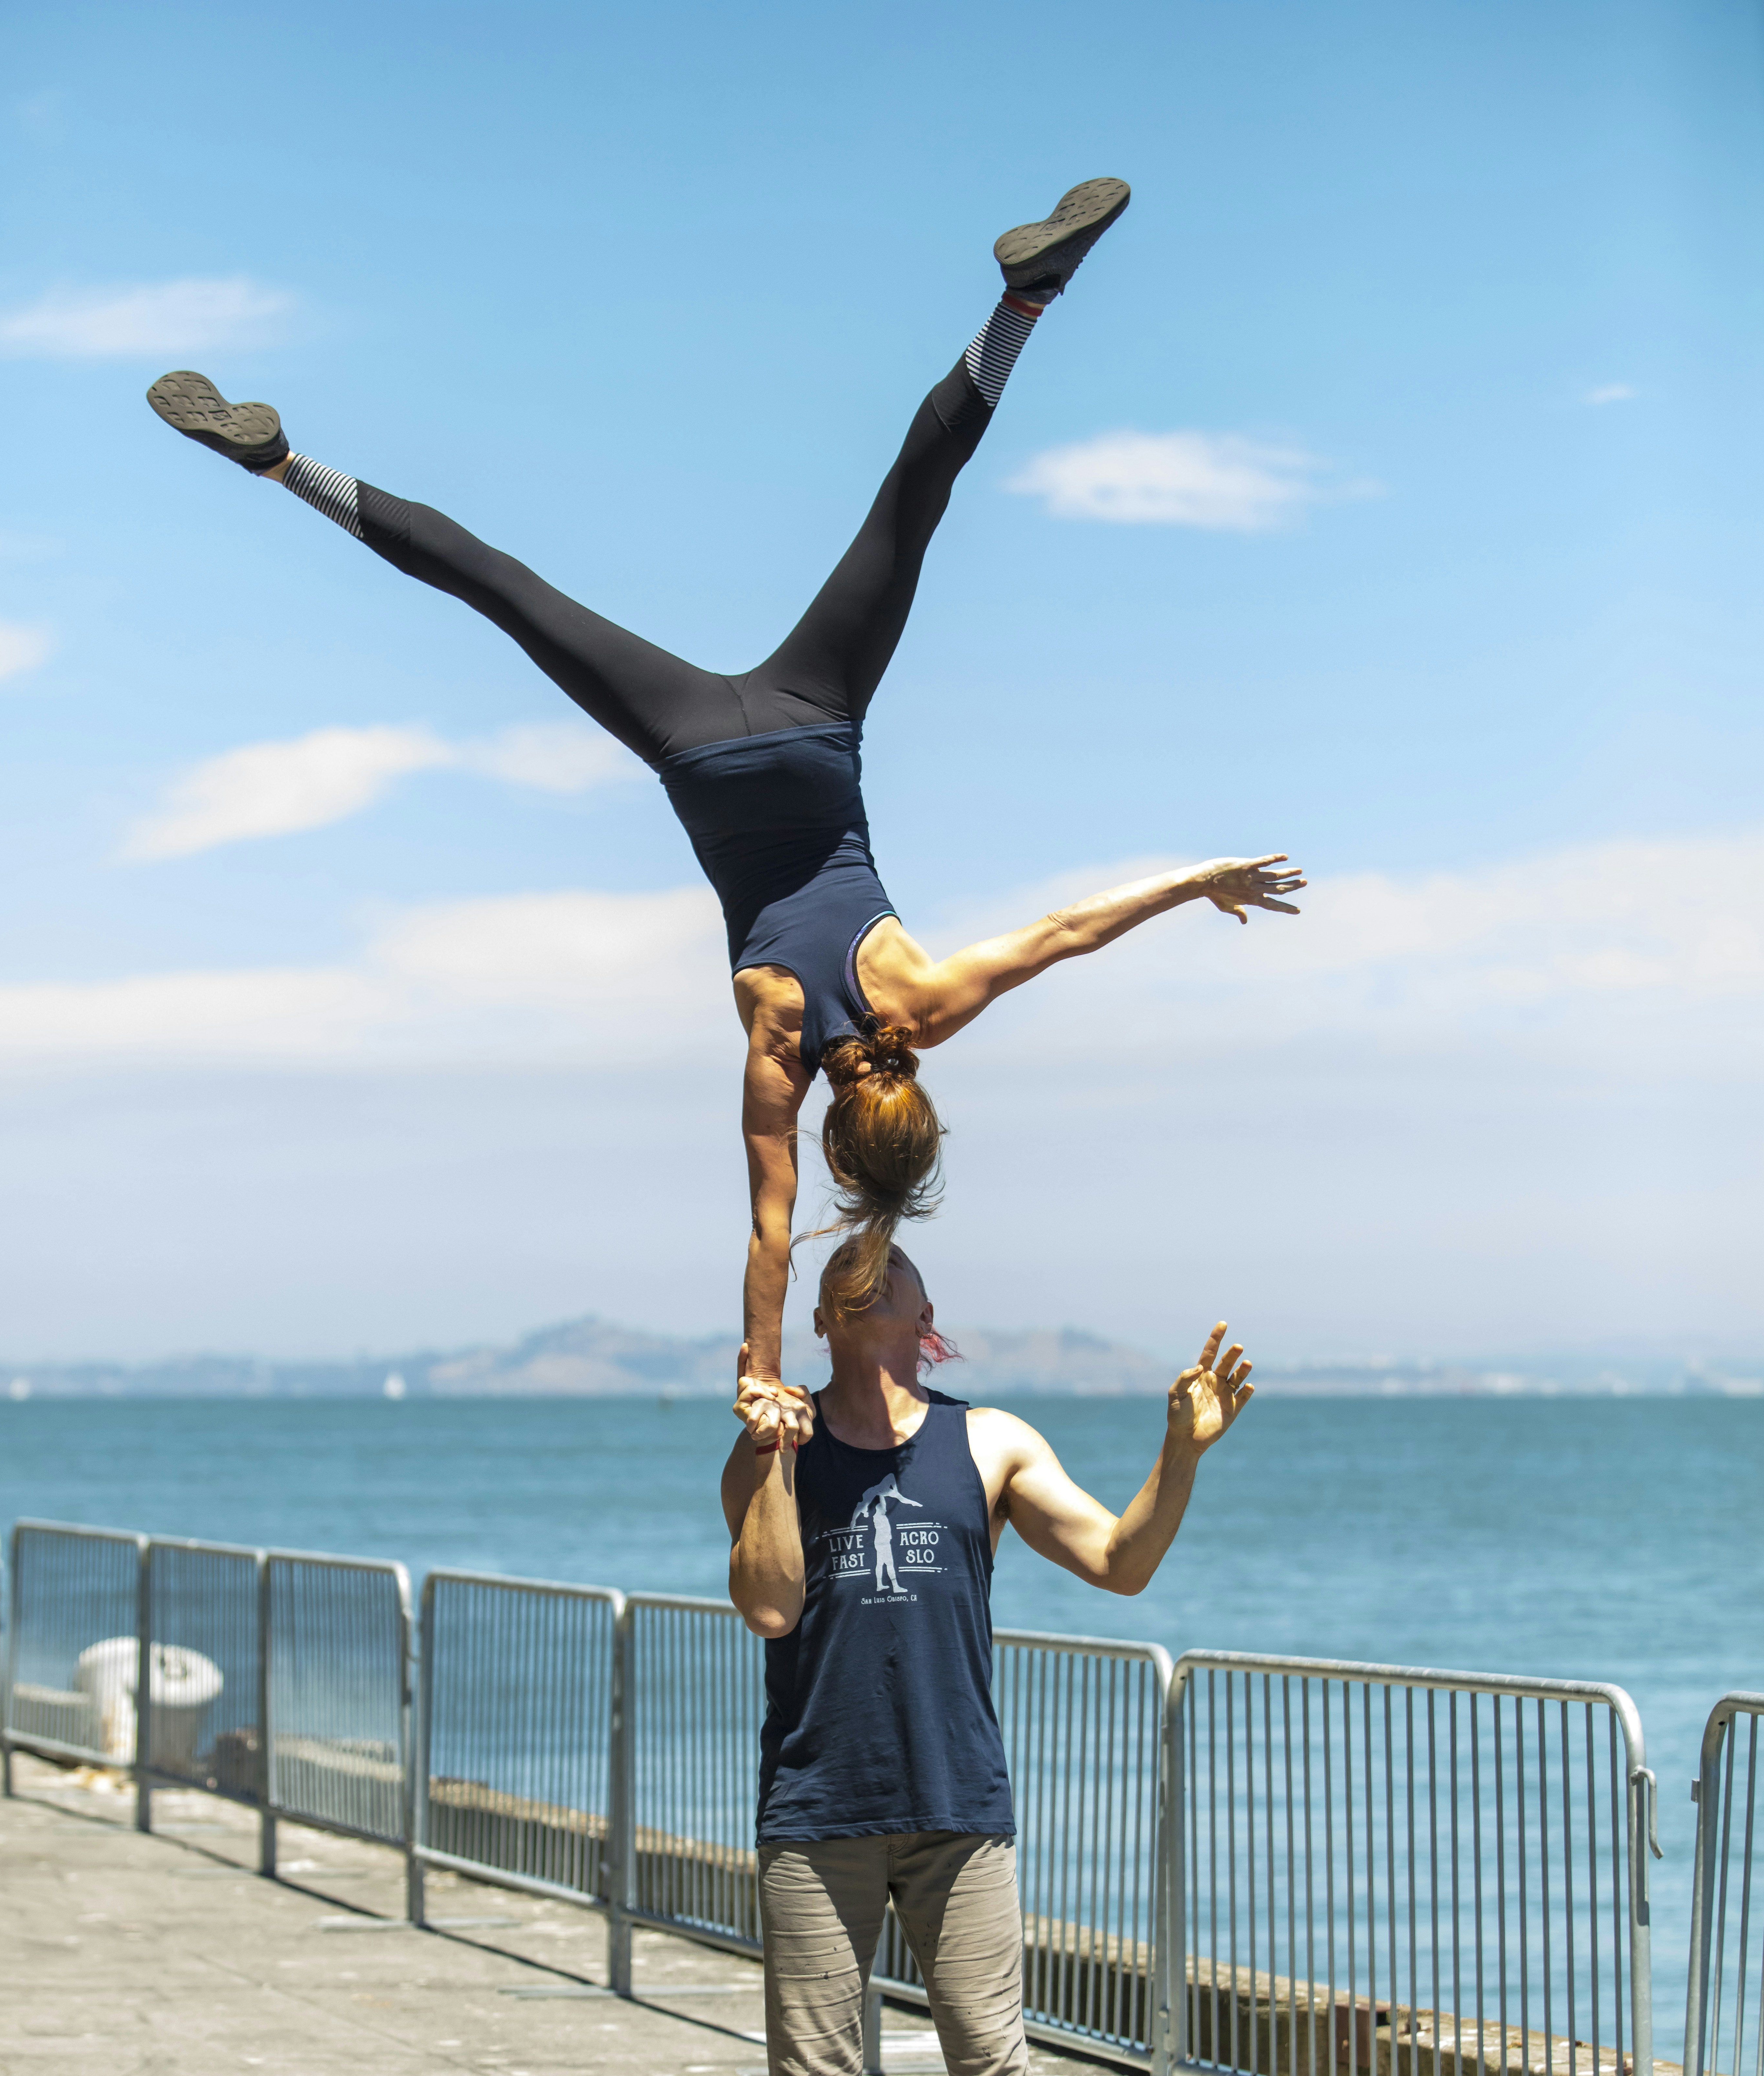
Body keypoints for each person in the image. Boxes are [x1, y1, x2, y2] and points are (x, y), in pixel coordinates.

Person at [145, 183, 1304, 1393]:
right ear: (840, 1149)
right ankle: (282, 466)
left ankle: (1025, 297)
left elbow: (1071, 929)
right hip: (693, 750)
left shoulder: (930, 1001)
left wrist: (1199, 880)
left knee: (914, 501)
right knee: (500, 589)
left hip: (816, 721)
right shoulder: (779, 1050)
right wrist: (761, 1376)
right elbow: (766, 1235)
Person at [719, 1236, 1252, 2076]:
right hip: (818, 1811)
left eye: (893, 1266)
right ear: (822, 1314)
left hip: (959, 1808)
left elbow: (1120, 1561)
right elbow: (764, 1603)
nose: (872, 1271)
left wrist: (1180, 1451)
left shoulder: (991, 1441)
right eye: (847, 1270)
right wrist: (768, 1458)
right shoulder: (773, 1445)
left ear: (923, 1313)